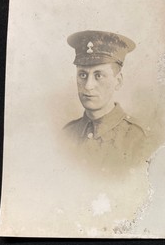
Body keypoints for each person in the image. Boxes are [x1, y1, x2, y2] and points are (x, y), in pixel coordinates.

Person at [63, 30, 147, 166]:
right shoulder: (67, 133)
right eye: (82, 75)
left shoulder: (136, 138)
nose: (88, 86)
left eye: (99, 76)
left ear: (118, 81)